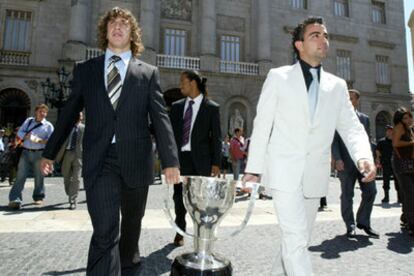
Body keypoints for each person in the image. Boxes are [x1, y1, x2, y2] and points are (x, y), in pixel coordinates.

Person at [40, 7, 180, 275]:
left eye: (124, 24)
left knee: (130, 231)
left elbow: (160, 119)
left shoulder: (148, 73)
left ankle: (129, 267)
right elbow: (69, 114)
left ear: (132, 33)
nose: (118, 27)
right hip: (100, 161)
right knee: (104, 231)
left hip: (136, 161)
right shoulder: (86, 70)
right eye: (112, 23)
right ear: (105, 31)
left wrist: (170, 161)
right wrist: (50, 152)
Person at [243, 17, 376, 275]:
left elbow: (351, 127)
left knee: (297, 242)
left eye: (325, 35)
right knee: (295, 240)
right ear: (299, 44)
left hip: (315, 177)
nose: (322, 39)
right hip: (284, 173)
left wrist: (363, 157)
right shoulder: (278, 77)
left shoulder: (337, 86)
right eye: (315, 35)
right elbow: (262, 125)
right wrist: (254, 168)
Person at [169, 70, 222, 246]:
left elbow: (216, 137)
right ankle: (180, 230)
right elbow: (170, 136)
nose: (180, 85)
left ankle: (202, 231)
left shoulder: (211, 107)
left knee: (200, 199)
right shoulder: (176, 107)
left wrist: (216, 163)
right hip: (180, 160)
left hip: (202, 161)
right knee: (178, 197)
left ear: (193, 83)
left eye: (182, 81)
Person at [332, 89, 379, 238]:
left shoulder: (364, 119)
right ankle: (350, 225)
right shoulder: (337, 118)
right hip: (345, 163)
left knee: (371, 191)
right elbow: (334, 140)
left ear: (357, 101)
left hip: (363, 164)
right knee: (347, 194)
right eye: (346, 98)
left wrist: (372, 160)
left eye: (351, 98)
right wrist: (337, 158)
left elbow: (367, 139)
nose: (348, 101)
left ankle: (363, 222)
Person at [8, 104, 54, 209]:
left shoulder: (48, 126)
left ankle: (38, 197)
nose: (42, 114)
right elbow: (20, 132)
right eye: (40, 111)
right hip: (25, 152)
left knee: (39, 177)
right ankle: (15, 199)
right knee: (20, 176)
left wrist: (36, 139)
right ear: (36, 112)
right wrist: (26, 136)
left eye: (44, 112)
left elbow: (51, 142)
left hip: (40, 154)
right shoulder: (29, 121)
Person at [391, 107, 414, 237]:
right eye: (405, 117)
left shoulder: (410, 129)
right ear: (400, 120)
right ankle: (412, 225)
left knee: (408, 193)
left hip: (409, 164)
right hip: (402, 164)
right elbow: (395, 143)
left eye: (410, 116)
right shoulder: (400, 127)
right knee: (410, 193)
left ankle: (406, 218)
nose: (409, 119)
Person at [55, 112, 84, 210]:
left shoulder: (84, 128)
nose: (78, 117)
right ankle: (69, 192)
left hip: (79, 156)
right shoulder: (67, 127)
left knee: (77, 178)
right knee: (66, 175)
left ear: (82, 117)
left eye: (80, 115)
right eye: (77, 115)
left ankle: (73, 200)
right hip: (67, 153)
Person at [376, 125, 400, 203]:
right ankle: (386, 197)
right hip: (386, 163)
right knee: (386, 181)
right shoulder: (381, 141)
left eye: (390, 130)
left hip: (396, 164)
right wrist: (378, 160)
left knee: (398, 181)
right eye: (387, 131)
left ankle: (399, 197)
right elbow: (378, 152)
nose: (389, 132)